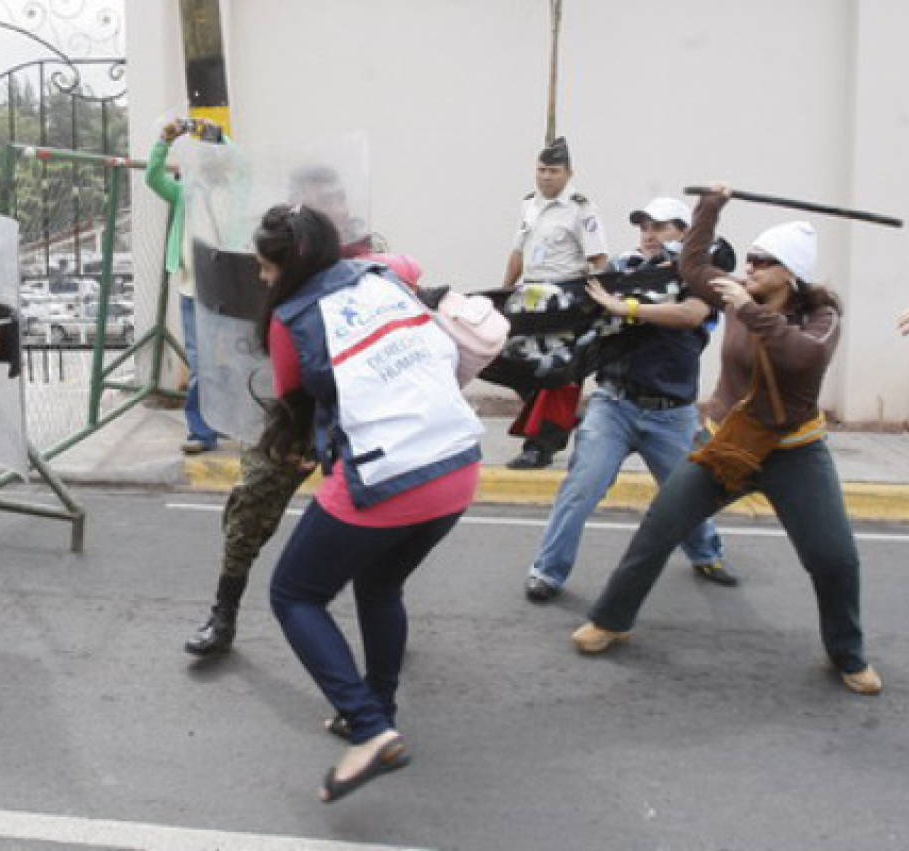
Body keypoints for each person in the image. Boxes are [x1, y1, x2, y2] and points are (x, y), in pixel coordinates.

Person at [571, 182, 882, 697]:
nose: (750, 268)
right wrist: (710, 208)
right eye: (751, 259)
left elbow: (804, 357)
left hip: (794, 454)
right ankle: (612, 619)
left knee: (834, 558)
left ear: (790, 274)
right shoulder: (740, 293)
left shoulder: (819, 318)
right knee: (658, 528)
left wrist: (750, 310)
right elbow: (692, 265)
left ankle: (847, 654)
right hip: (725, 445)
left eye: (763, 261)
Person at [256, 203, 482, 801]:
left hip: (389, 473)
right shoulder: (383, 274)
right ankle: (379, 706)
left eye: (264, 269)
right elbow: (408, 261)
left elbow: (290, 398)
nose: (261, 280)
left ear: (286, 266)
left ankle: (370, 727)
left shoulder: (290, 316)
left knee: (294, 593)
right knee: (380, 586)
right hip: (459, 464)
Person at [183, 166, 420, 657]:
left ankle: (381, 621)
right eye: (317, 200)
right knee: (250, 503)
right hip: (292, 410)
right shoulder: (277, 253)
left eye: (334, 198)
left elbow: (408, 280)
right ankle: (223, 613)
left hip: (357, 417)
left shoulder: (369, 256)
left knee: (381, 525)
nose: (330, 207)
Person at [524, 197, 734, 602]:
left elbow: (691, 315)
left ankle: (706, 553)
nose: (649, 234)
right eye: (643, 226)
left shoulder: (700, 279)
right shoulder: (622, 272)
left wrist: (629, 308)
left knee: (685, 496)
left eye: (660, 226)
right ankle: (547, 572)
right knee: (580, 489)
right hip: (613, 404)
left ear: (685, 233)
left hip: (671, 415)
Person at [502, 137, 608, 469]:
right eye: (541, 169)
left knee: (557, 374)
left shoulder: (580, 208)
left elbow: (599, 260)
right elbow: (519, 251)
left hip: (564, 301)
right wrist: (503, 292)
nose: (546, 176)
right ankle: (563, 421)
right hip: (530, 300)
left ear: (568, 173)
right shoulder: (529, 204)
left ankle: (541, 445)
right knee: (514, 363)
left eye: (554, 170)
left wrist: (595, 304)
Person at [145, 118, 222, 455]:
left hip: (226, 288)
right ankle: (201, 431)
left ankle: (228, 422)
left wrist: (215, 135)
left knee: (231, 359)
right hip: (193, 288)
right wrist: (165, 140)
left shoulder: (229, 193)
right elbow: (152, 176)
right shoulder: (181, 194)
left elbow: (242, 165)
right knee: (199, 361)